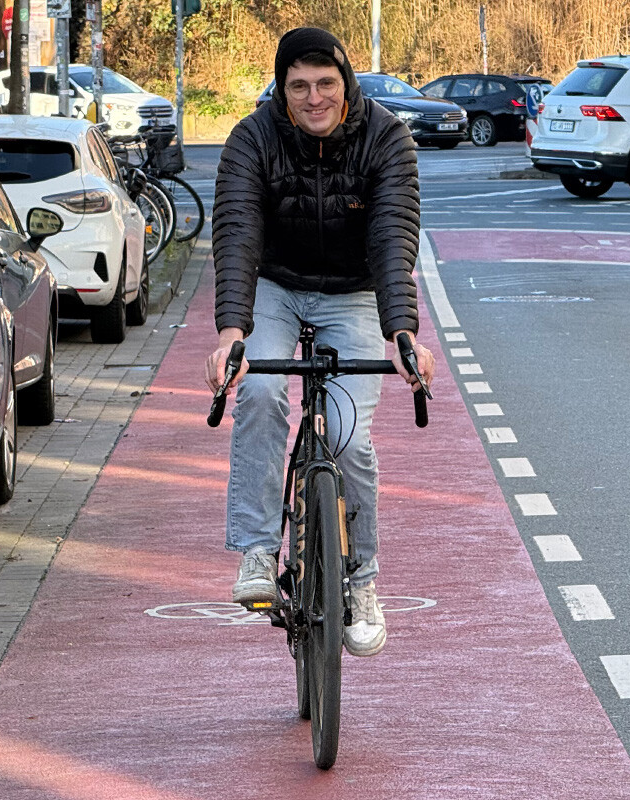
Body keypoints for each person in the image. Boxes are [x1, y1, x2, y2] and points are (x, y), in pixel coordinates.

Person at [205, 27, 435, 658]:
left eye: (326, 84)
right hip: (275, 286)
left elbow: (393, 242)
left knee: (348, 436)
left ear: (346, 82)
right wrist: (233, 334)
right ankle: (257, 549)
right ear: (281, 91)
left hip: (355, 293)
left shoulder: (386, 138)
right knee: (257, 391)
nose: (314, 99)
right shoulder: (251, 139)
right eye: (298, 87)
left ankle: (361, 582)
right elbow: (236, 238)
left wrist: (403, 334)